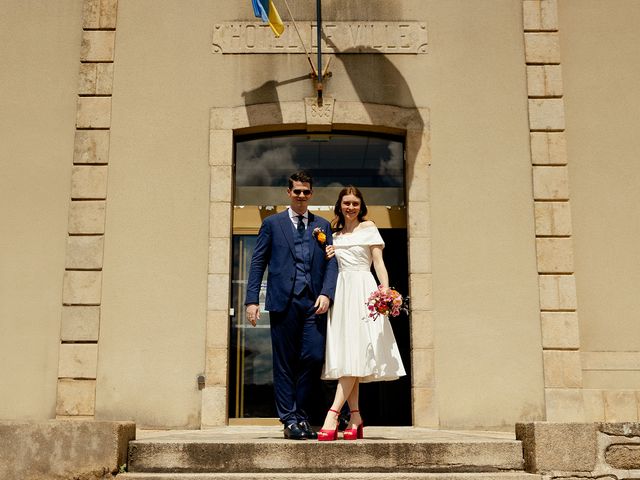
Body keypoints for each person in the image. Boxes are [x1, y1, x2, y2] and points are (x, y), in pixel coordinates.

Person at [245, 171, 338, 440]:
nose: (301, 196)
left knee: (313, 356)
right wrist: (252, 300)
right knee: (284, 362)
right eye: (296, 191)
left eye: (305, 192)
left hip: (313, 301)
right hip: (283, 301)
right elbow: (257, 262)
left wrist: (327, 294)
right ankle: (291, 419)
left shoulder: (322, 225)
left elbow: (332, 262)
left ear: (311, 194)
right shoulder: (272, 224)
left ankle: (299, 414)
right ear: (288, 193)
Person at [318, 186, 406, 441]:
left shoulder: (369, 229)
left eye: (355, 203)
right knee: (350, 356)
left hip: (364, 292)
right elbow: (330, 267)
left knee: (355, 353)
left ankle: (332, 414)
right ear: (340, 205)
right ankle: (355, 417)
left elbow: (378, 263)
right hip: (342, 294)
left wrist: (386, 292)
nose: (351, 207)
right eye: (346, 202)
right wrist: (328, 254)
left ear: (361, 206)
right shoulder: (333, 235)